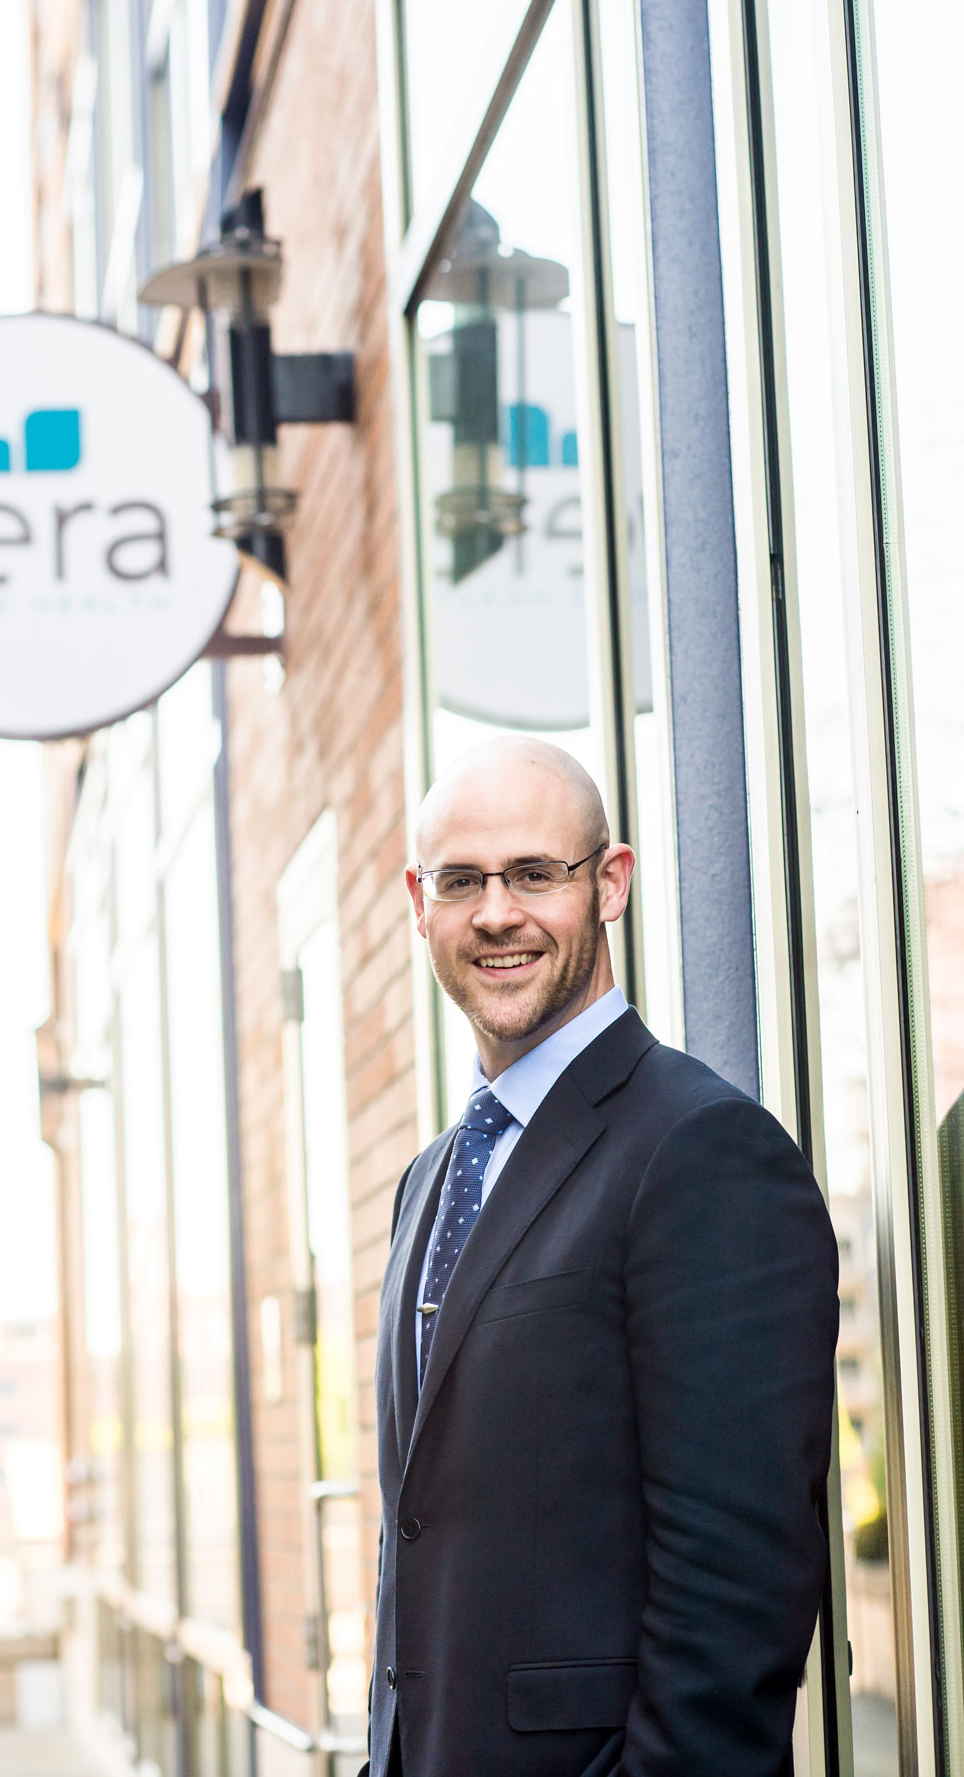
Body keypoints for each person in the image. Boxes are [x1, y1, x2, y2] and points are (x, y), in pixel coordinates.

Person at [363, 736, 838, 1777]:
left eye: (535, 874)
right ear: (418, 901)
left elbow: (737, 1589)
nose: (497, 913)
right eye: (462, 881)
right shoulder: (433, 1180)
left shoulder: (701, 1150)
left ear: (610, 884)